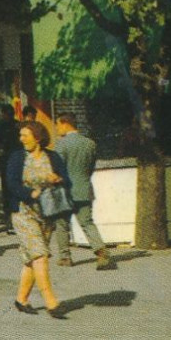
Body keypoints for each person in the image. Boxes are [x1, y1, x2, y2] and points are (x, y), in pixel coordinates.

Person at [5, 120, 70, 318]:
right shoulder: (17, 158)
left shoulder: (53, 157)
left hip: (46, 213)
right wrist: (29, 193)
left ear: (37, 137)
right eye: (21, 135)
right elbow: (11, 183)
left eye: (25, 135)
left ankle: (21, 299)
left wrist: (57, 179)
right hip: (23, 213)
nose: (21, 139)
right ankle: (51, 302)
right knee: (40, 256)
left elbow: (67, 180)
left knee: (31, 259)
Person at [52, 114, 117, 270]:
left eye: (58, 125)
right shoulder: (90, 144)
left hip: (65, 190)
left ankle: (65, 257)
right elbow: (91, 167)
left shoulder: (61, 145)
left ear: (65, 124)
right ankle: (101, 253)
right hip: (84, 187)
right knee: (87, 222)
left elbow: (57, 169)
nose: (56, 128)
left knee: (61, 225)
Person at [0, 102, 20, 233]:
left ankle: (9, 221)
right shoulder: (18, 125)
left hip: (6, 161)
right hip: (16, 161)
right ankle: (14, 219)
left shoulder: (1, 127)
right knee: (15, 190)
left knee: (7, 192)